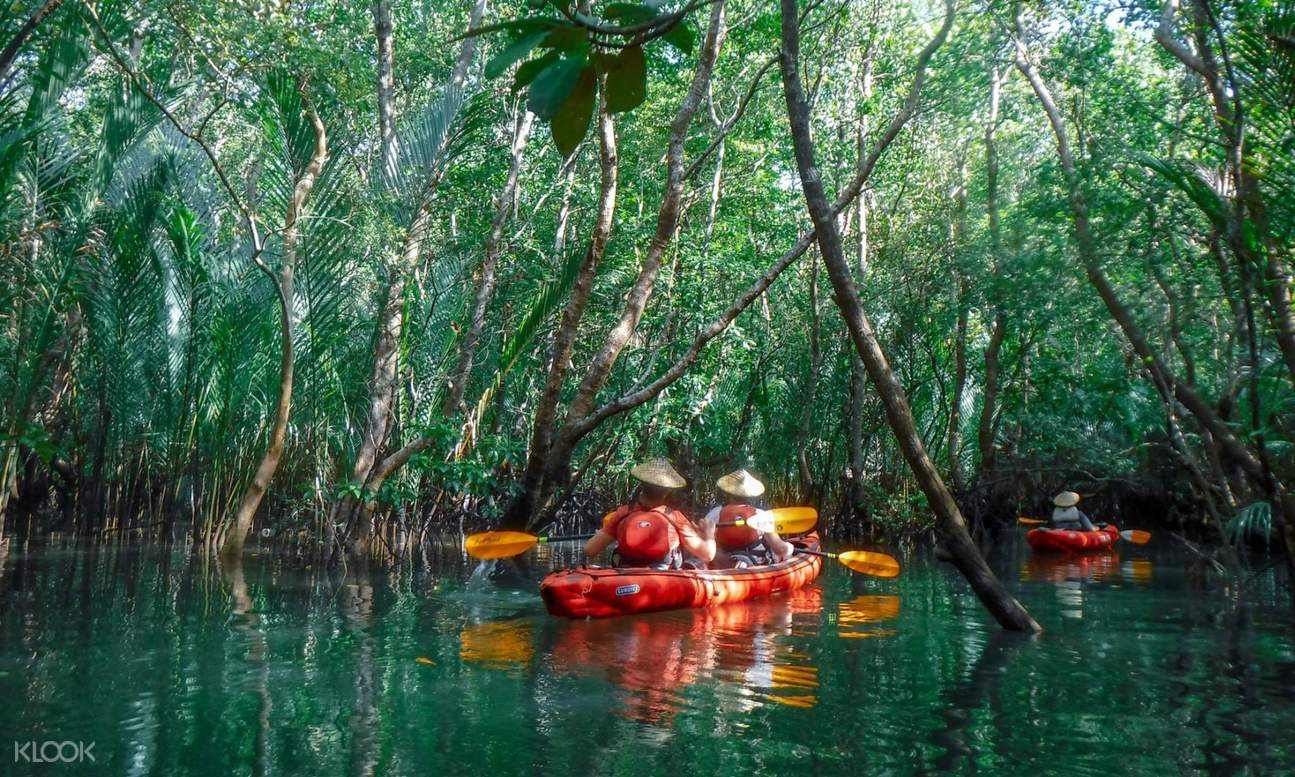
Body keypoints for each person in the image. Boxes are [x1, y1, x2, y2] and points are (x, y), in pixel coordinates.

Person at [584, 459, 716, 569]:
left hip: (624, 577)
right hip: (664, 582)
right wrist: (709, 535)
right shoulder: (675, 516)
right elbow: (708, 555)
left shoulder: (623, 513)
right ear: (668, 491)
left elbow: (589, 550)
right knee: (700, 564)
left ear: (642, 486)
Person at [704, 469, 795, 568]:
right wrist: (790, 548)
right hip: (753, 565)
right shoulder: (760, 515)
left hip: (723, 566)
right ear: (750, 495)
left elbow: (704, 545)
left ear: (729, 493)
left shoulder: (715, 513)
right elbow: (779, 549)